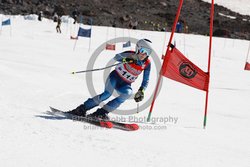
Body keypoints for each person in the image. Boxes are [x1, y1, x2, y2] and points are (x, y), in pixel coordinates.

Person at [68, 39, 153, 120]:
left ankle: (101, 113)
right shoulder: (130, 54)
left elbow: (146, 80)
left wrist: (141, 90)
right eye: (143, 51)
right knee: (107, 94)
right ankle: (82, 109)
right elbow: (116, 57)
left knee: (127, 93)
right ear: (138, 49)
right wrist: (126, 59)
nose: (144, 54)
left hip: (125, 84)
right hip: (114, 77)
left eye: (147, 52)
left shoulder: (147, 64)